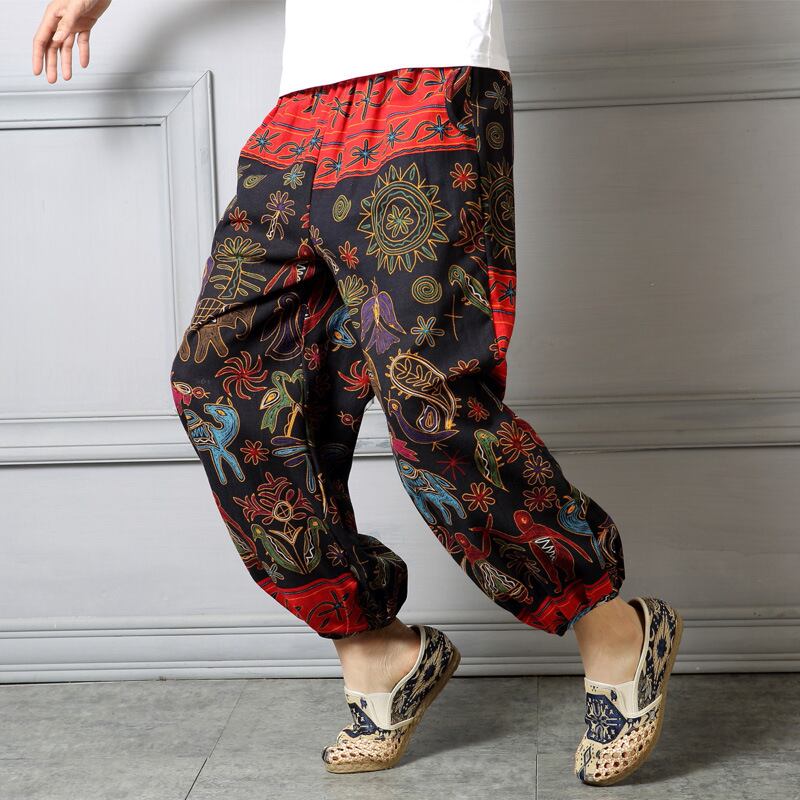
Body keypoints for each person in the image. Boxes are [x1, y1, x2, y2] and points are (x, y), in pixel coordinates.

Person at [32, 0, 683, 785]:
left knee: (428, 399)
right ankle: (378, 651)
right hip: (305, 103)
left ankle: (613, 629)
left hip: (430, 76)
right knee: (222, 379)